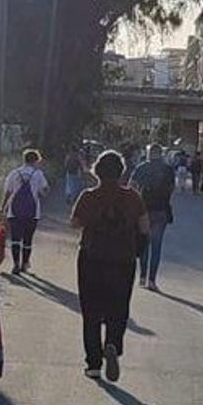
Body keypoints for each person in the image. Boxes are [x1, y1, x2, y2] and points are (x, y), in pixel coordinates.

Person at [70, 150, 148, 382]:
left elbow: (74, 223)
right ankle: (112, 343)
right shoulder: (134, 197)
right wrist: (137, 251)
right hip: (123, 260)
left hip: (92, 258)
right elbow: (145, 228)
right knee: (118, 307)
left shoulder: (88, 196)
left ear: (97, 171)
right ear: (121, 171)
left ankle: (93, 363)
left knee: (90, 310)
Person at [129, 143, 176, 291]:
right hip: (161, 211)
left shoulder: (142, 167)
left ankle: (142, 277)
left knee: (144, 244)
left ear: (149, 153)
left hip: (144, 210)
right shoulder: (168, 170)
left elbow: (131, 186)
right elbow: (172, 188)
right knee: (157, 246)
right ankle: (152, 280)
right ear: (160, 154)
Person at [1, 148, 49, 276]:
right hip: (33, 212)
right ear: (36, 160)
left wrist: (3, 207)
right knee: (28, 239)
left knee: (15, 238)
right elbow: (44, 190)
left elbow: (8, 191)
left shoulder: (14, 173)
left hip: (14, 211)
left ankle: (15, 263)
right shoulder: (38, 174)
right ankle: (25, 263)